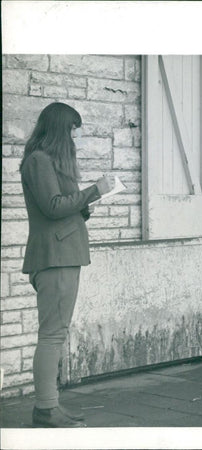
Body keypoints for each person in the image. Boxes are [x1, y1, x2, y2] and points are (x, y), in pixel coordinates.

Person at [20, 102, 113, 428]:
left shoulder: (50, 162)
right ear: (61, 130)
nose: (77, 138)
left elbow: (64, 209)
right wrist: (92, 191)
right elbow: (53, 206)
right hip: (55, 257)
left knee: (55, 333)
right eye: (74, 131)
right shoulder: (38, 161)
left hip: (63, 255)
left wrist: (90, 200)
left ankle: (50, 406)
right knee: (52, 335)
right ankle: (46, 408)